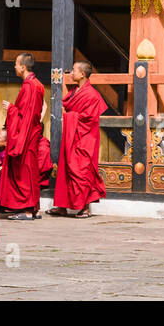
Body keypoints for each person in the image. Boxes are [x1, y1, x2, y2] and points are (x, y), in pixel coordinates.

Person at [49, 60, 107, 218]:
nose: (71, 73)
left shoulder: (92, 95)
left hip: (85, 138)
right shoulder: (75, 91)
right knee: (66, 169)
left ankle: (85, 208)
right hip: (71, 136)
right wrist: (69, 115)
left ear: (82, 74)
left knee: (82, 171)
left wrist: (68, 116)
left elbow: (89, 119)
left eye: (74, 70)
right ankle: (62, 206)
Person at [0, 52, 46, 219]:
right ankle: (33, 209)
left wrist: (11, 109)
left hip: (26, 135)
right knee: (30, 171)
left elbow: (26, 116)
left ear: (23, 67)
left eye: (16, 64)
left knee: (24, 172)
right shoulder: (36, 84)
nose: (14, 67)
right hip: (31, 134)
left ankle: (26, 210)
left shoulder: (30, 86)